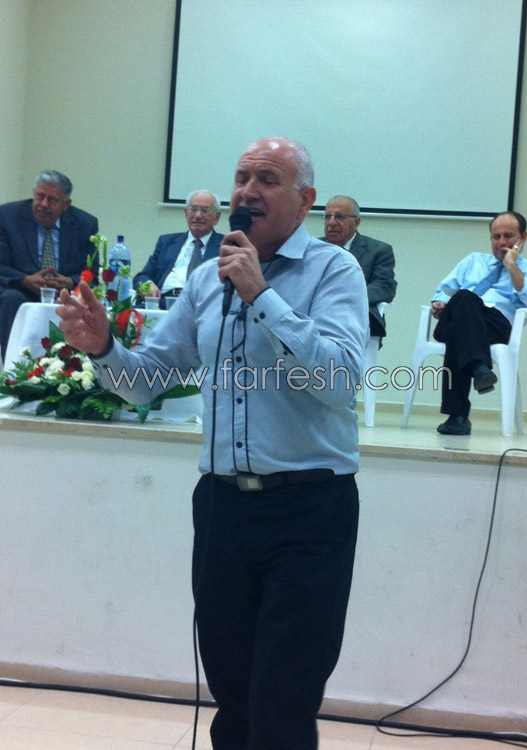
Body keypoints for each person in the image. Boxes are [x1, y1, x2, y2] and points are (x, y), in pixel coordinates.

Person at [57, 137, 369, 750]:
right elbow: (146, 382)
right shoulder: (206, 279)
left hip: (309, 509)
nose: (249, 191)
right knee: (231, 694)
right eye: (242, 177)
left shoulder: (335, 270)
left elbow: (340, 381)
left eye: (267, 179)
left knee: (283, 698)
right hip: (224, 507)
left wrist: (262, 296)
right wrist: (103, 348)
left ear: (305, 199)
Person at [431, 211, 527, 436]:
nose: (502, 242)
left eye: (508, 236)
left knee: (458, 327)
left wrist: (511, 265)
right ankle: (479, 368)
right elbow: (443, 291)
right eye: (496, 236)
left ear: (523, 238)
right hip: (461, 317)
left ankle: (458, 417)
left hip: (497, 326)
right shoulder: (473, 261)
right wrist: (439, 304)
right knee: (464, 298)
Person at [0, 169, 98, 358]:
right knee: (11, 298)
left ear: (66, 204)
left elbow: (92, 271)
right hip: (22, 291)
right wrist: (26, 280)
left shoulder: (85, 224)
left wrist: (70, 281)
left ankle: (74, 367)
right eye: (40, 196)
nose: (44, 204)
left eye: (52, 200)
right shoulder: (7, 216)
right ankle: (14, 365)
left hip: (66, 295)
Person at [132, 190, 223, 308]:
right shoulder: (166, 242)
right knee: (123, 314)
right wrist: (148, 284)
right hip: (163, 304)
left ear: (217, 217)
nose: (197, 215)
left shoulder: (226, 246)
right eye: (193, 209)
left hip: (201, 308)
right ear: (186, 214)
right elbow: (141, 277)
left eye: (204, 210)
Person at [321, 195, 396, 337]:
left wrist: (343, 299)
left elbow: (384, 286)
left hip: (355, 319)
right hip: (316, 316)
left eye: (339, 217)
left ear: (356, 223)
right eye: (327, 216)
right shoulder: (313, 249)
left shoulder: (378, 250)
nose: (331, 222)